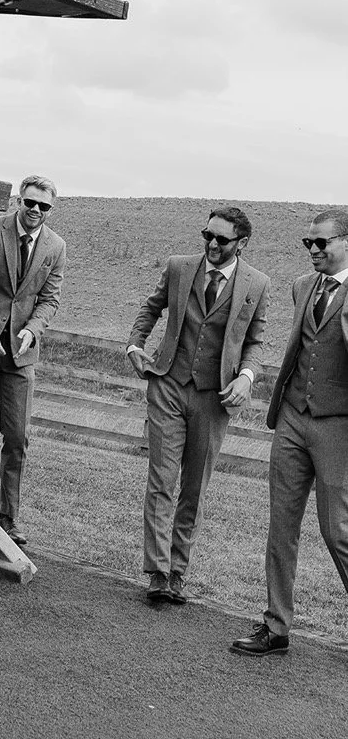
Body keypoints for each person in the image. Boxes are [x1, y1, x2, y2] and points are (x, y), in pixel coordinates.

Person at [127, 207, 269, 604]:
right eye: (207, 234)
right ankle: (156, 573)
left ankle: (178, 573)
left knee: (193, 488)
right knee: (161, 479)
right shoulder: (178, 267)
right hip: (168, 383)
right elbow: (151, 307)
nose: (211, 244)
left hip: (214, 396)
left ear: (241, 243)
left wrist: (247, 376)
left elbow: (256, 341)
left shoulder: (257, 284)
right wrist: (136, 344)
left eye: (221, 239)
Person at [231, 209, 348, 657]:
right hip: (293, 418)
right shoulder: (303, 286)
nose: (313, 250)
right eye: (308, 244)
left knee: (337, 529)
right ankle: (275, 626)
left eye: (322, 243)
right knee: (281, 525)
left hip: (339, 425)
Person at [0, 175, 66, 545]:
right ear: (20, 200)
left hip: (21, 355)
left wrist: (33, 329)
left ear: (52, 209)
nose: (35, 210)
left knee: (17, 437)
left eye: (44, 206)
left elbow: (50, 299)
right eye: (30, 203)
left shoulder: (55, 246)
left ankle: (8, 519)